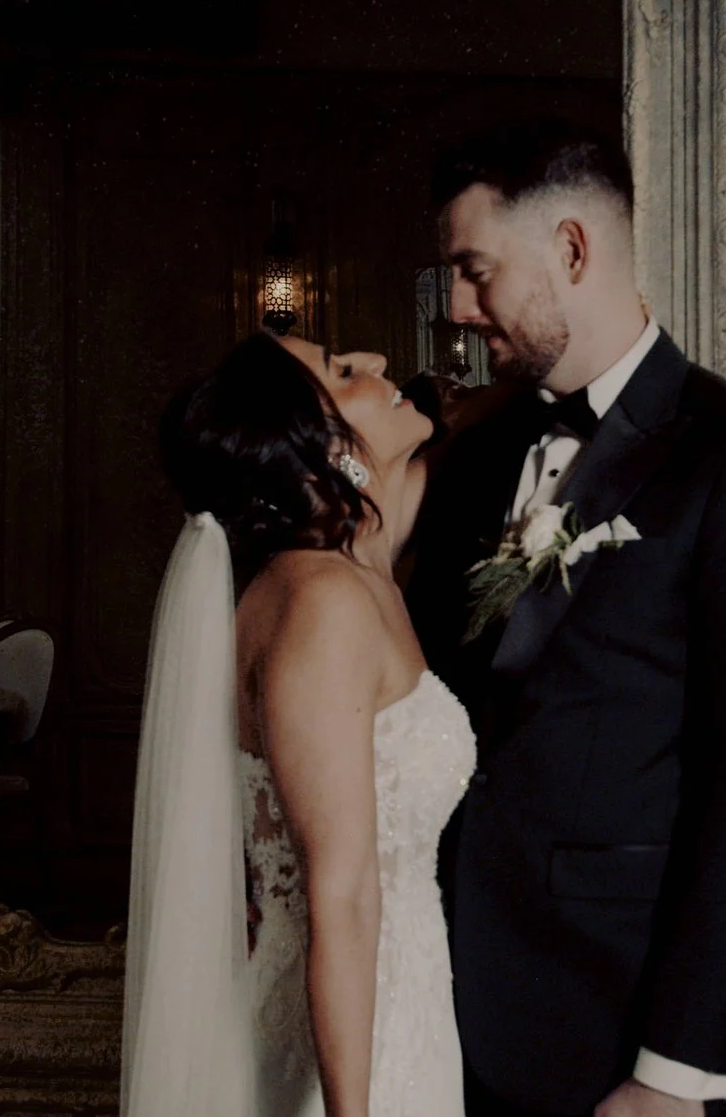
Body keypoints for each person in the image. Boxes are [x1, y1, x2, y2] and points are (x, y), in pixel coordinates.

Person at [403, 120, 726, 1117]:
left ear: (570, 249)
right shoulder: (470, 460)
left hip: (631, 1029)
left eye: (475, 272)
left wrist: (672, 1072)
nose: (460, 312)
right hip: (449, 1014)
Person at [129, 329, 472, 1117]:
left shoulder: (357, 561)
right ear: (318, 446)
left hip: (401, 1005)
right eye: (343, 372)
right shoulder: (322, 604)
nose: (379, 364)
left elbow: (449, 440)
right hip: (351, 1042)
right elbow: (342, 893)